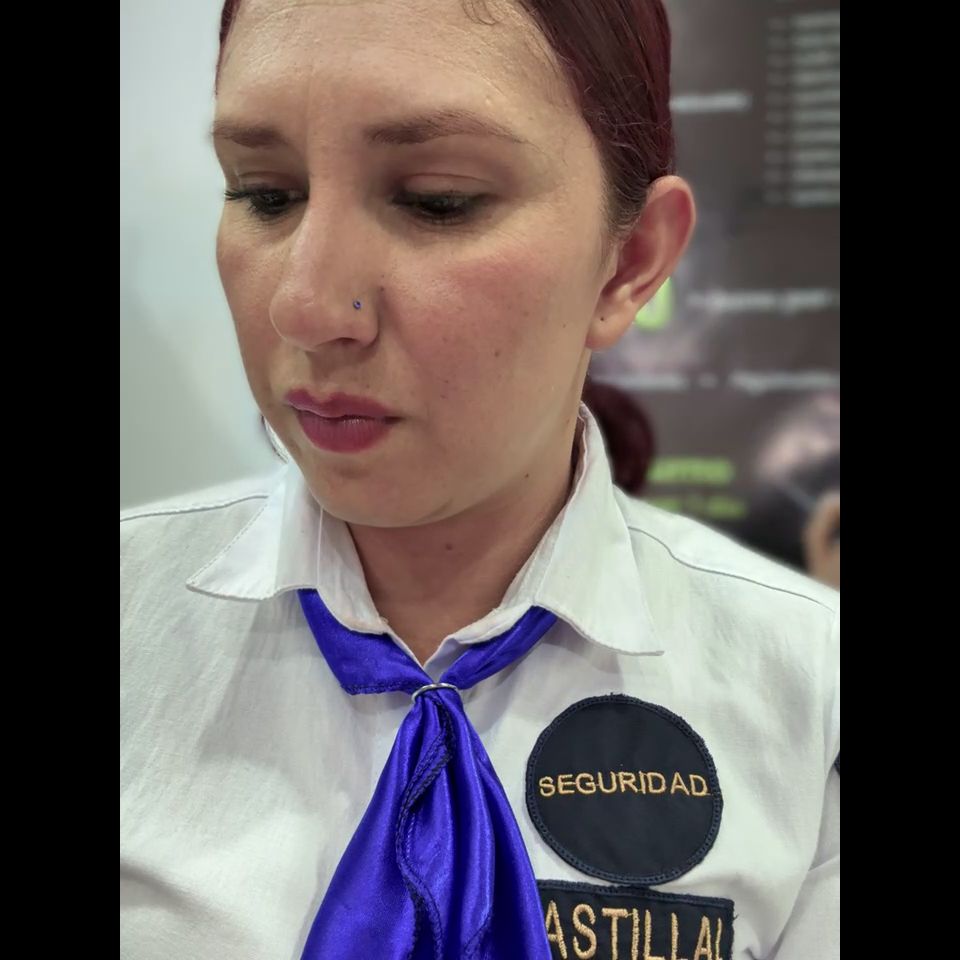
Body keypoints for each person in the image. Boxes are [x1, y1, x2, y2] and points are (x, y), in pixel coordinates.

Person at [120, 1, 839, 958]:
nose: (305, 305)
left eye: (437, 200)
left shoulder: (809, 689)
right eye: (265, 193)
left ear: (630, 263)